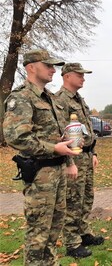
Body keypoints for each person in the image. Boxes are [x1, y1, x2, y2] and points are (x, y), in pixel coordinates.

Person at [3, 49, 79, 266]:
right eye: (48, 65)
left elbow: (57, 134)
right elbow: (16, 136)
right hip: (40, 175)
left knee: (54, 228)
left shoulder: (50, 99)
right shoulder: (21, 97)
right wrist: (54, 148)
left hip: (58, 171)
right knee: (39, 231)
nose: (53, 70)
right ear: (31, 67)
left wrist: (69, 148)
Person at [56, 63, 104, 258]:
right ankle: (72, 243)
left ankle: (83, 233)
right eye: (79, 75)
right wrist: (70, 162)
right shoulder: (61, 100)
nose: (83, 78)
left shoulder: (78, 99)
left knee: (85, 198)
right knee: (73, 200)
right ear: (67, 76)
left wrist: (93, 153)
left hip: (85, 156)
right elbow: (61, 133)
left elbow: (86, 130)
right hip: (73, 157)